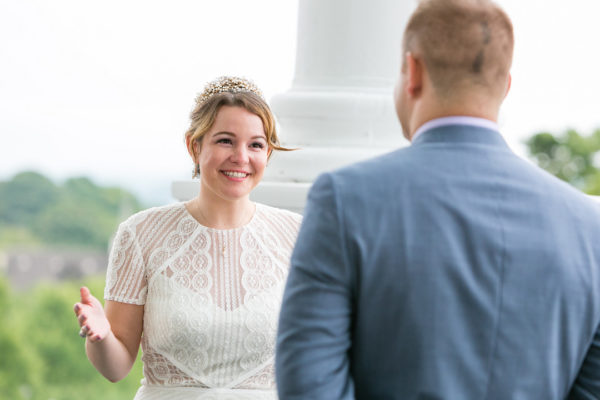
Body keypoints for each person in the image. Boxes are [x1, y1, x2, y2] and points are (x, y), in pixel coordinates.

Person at [275, 0, 600, 398]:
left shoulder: (345, 200)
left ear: (412, 72)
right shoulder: (589, 225)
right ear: (506, 85)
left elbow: (309, 387)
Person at [74, 76, 302, 399]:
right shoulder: (140, 235)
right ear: (194, 146)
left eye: (255, 144)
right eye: (225, 141)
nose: (241, 157)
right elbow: (117, 366)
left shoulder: (297, 235)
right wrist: (99, 337)